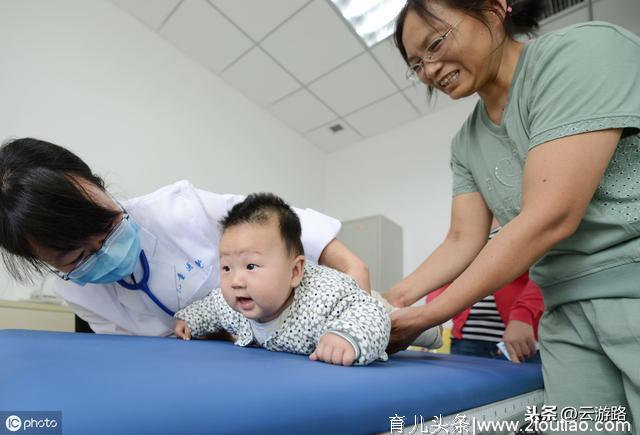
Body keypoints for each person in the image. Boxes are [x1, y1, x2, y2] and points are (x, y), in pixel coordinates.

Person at [385, 0, 640, 427]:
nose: (428, 70)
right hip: (565, 318)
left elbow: (551, 216)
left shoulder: (582, 52)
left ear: (494, 8)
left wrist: (428, 316)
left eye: (434, 44)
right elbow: (461, 240)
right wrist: (392, 300)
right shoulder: (465, 145)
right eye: (416, 65)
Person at [0, 138, 370, 336]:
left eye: (107, 225)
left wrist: (354, 280)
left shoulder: (180, 208)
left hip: (314, 313)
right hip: (244, 352)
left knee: (384, 323)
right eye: (75, 258)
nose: (104, 250)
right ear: (45, 261)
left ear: (96, 184)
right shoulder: (77, 294)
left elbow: (287, 225)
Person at [174, 193, 390, 366]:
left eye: (251, 266)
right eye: (227, 267)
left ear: (294, 272)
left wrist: (345, 337)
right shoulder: (233, 302)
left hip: (371, 302)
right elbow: (212, 305)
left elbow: (369, 310)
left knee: (406, 323)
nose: (236, 281)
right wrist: (190, 321)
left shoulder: (325, 296)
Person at [427, 221, 544, 363]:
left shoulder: (527, 215)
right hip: (466, 338)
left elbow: (545, 269)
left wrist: (523, 315)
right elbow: (449, 273)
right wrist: (430, 315)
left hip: (516, 339)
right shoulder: (469, 225)